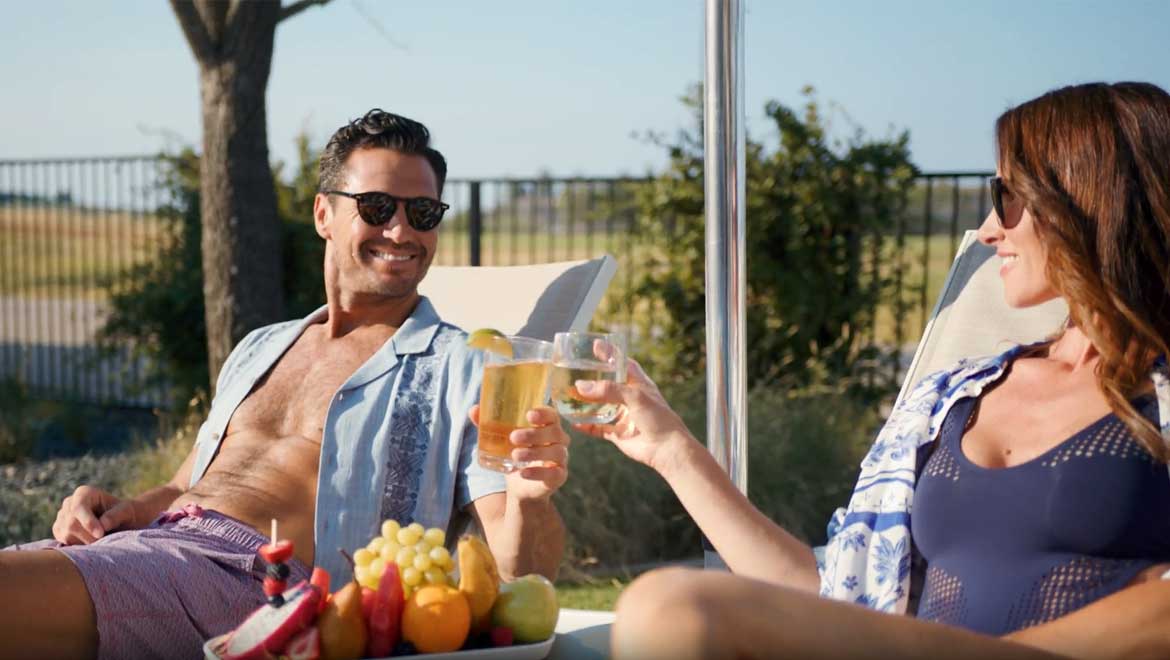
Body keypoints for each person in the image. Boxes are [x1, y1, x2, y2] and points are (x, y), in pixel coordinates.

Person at [571, 82, 1170, 659]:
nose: (990, 230)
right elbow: (833, 592)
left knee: (670, 607)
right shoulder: (955, 396)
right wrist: (671, 448)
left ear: (1091, 200)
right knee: (668, 612)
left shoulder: (1158, 398)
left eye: (1008, 199)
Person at [0, 109, 571, 659]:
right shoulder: (261, 347)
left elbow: (526, 570)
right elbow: (181, 489)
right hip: (142, 550)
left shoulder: (461, 366)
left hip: (264, 586)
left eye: (423, 212)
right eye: (377, 207)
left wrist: (529, 498)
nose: (401, 230)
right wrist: (119, 508)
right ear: (324, 214)